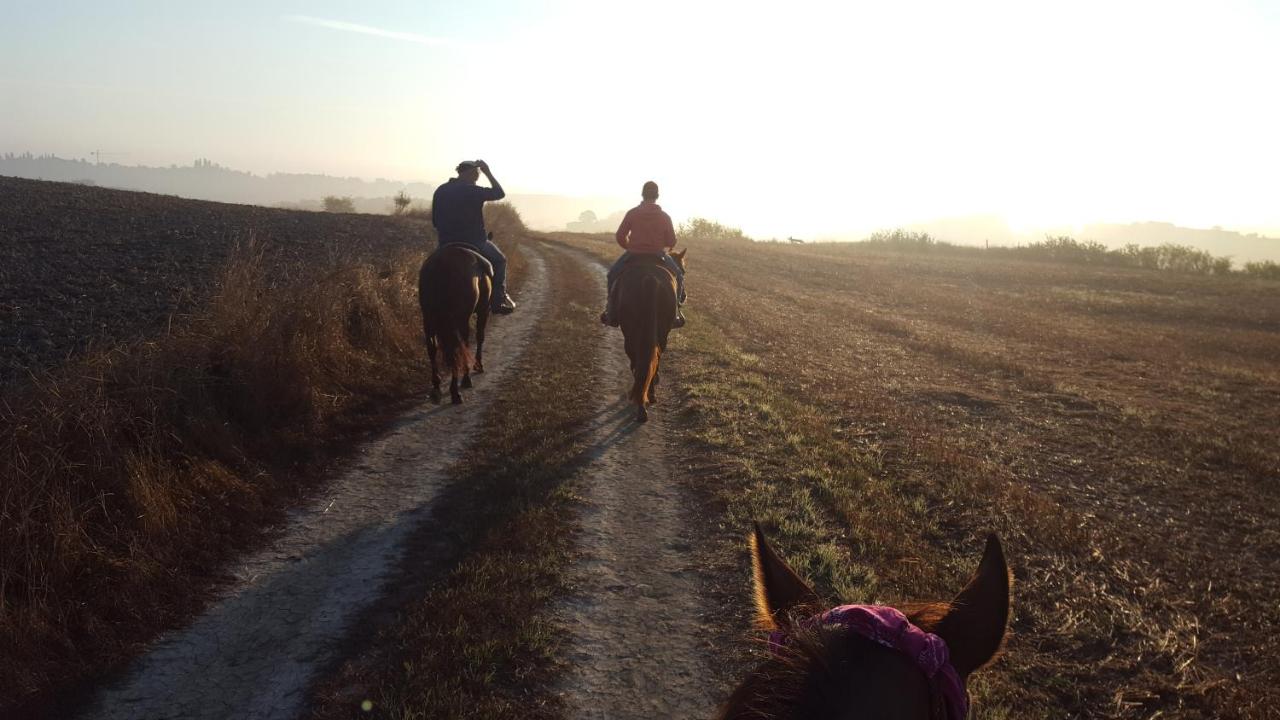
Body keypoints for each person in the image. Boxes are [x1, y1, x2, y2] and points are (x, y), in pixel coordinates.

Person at [431, 160, 516, 314]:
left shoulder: (441, 190)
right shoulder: (473, 191)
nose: (478, 176)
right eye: (477, 173)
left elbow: (435, 221)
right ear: (472, 173)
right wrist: (488, 172)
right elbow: (499, 193)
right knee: (500, 260)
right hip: (475, 241)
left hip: (445, 242)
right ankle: (497, 301)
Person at [600, 181, 686, 328]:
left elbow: (620, 236)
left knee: (612, 274)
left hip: (634, 254)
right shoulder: (664, 217)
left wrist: (631, 246)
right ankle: (675, 313)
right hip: (658, 255)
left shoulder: (632, 213)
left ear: (642, 194)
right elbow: (672, 241)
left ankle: (611, 312)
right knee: (678, 275)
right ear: (657, 196)